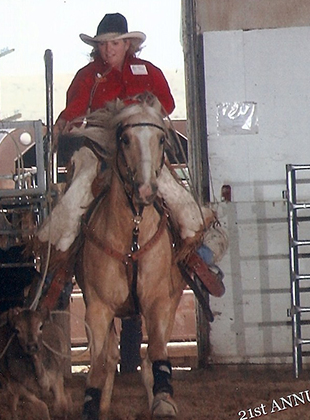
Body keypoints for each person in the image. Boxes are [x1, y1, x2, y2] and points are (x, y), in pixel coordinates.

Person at [36, 13, 228, 371]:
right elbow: (75, 110)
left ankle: (196, 249)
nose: (108, 50)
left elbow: (166, 104)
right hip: (99, 142)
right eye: (103, 45)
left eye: (115, 43)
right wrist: (66, 121)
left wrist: (145, 112)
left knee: (168, 187)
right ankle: (57, 262)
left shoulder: (148, 72)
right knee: (80, 189)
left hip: (140, 142)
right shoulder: (86, 77)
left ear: (128, 44)